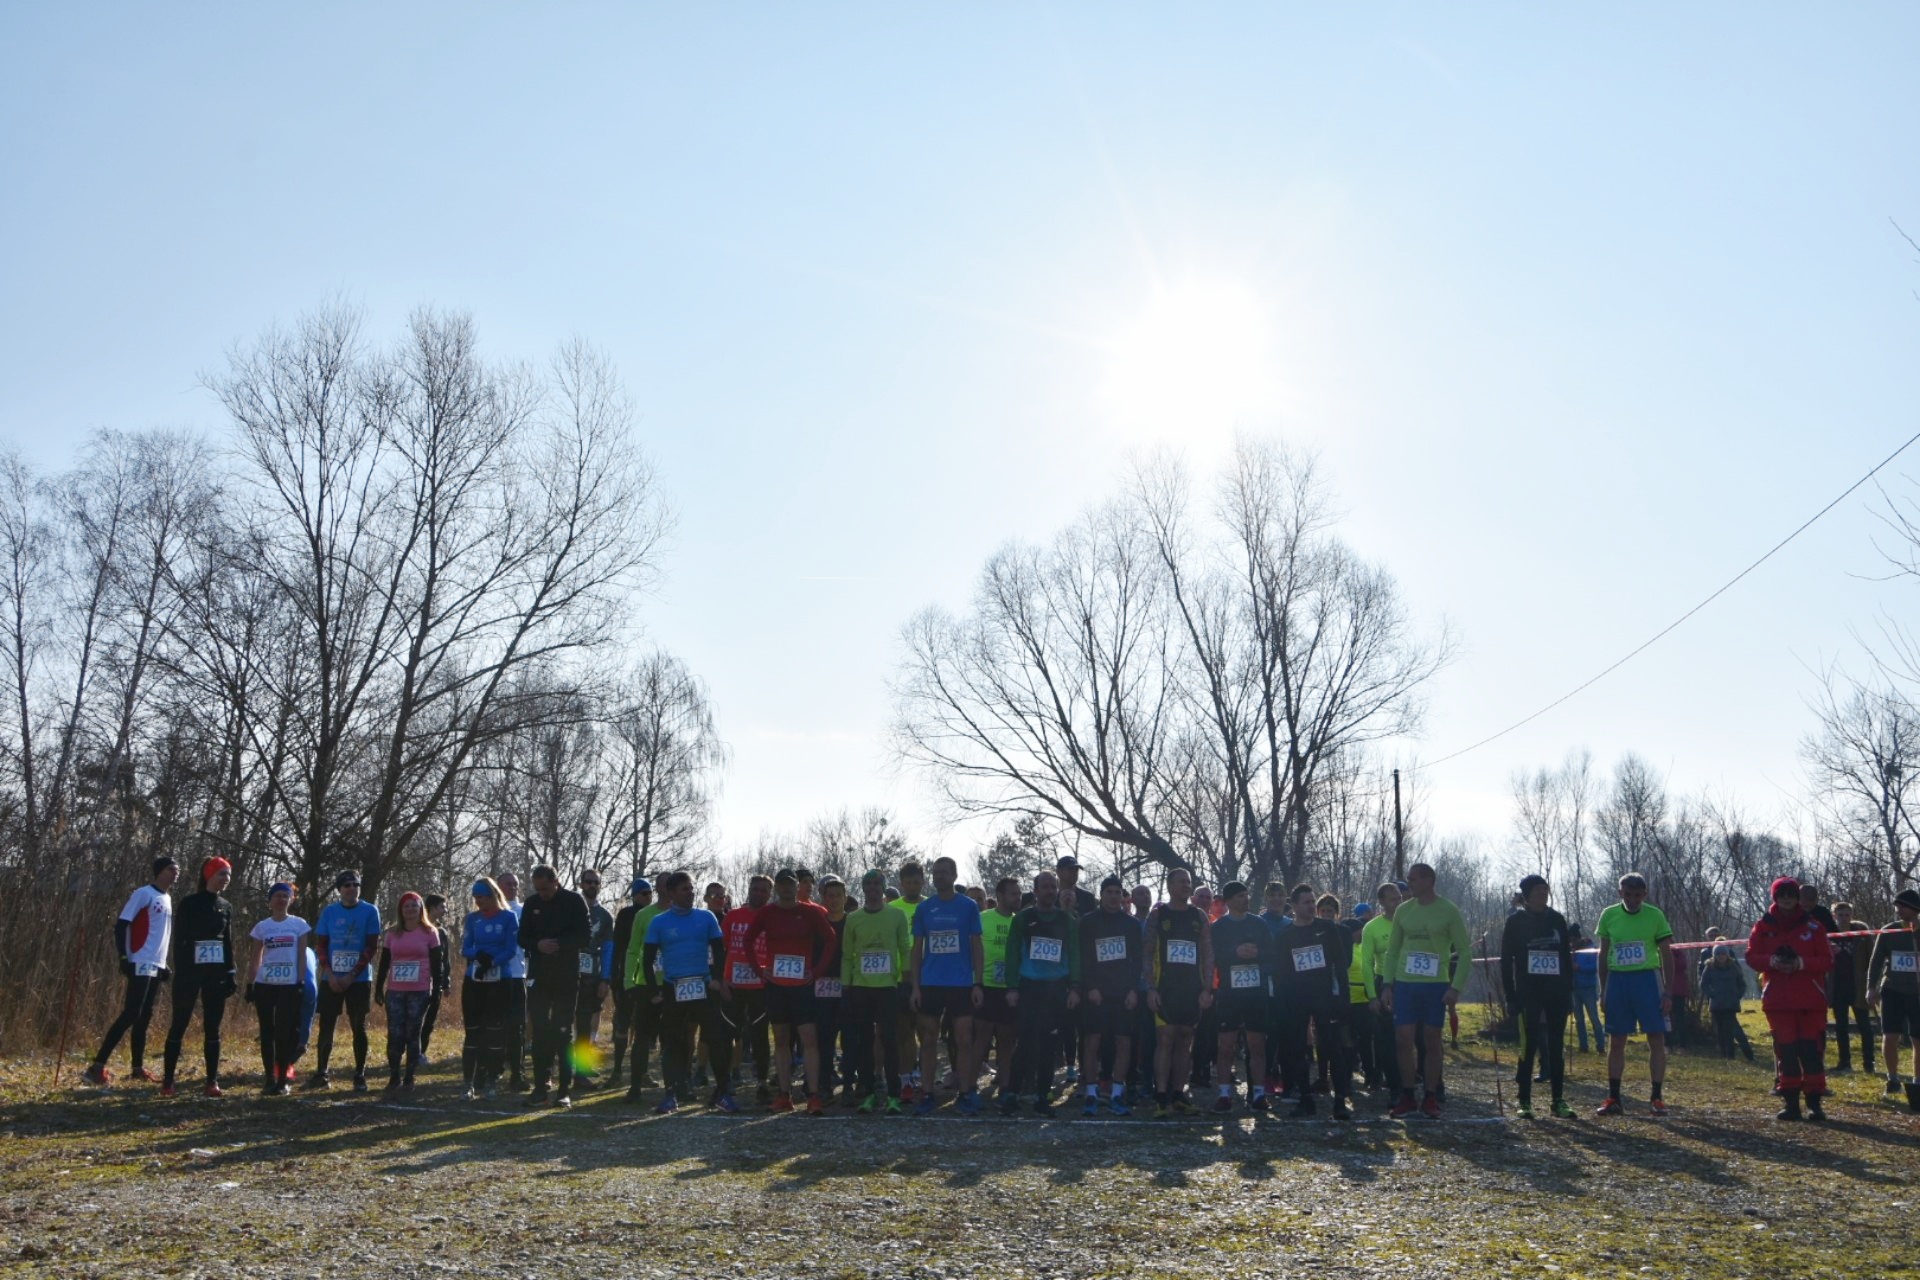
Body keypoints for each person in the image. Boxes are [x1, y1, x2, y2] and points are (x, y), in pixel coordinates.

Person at [744, 868, 839, 1114]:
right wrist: (759, 969)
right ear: (776, 887)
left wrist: (816, 972)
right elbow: (747, 941)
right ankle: (784, 1095)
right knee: (782, 1040)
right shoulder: (767, 912)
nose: (786, 889)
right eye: (782, 884)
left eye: (791, 884)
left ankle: (814, 1095)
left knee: (809, 1039)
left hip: (803, 987)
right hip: (776, 987)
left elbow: (830, 940)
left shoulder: (810, 912)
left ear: (797, 887)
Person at [642, 870, 737, 1114]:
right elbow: (648, 959)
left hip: (703, 987)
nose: (691, 892)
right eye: (685, 889)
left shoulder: (706, 918)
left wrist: (717, 979)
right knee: (673, 1042)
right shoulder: (659, 922)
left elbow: (719, 950)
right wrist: (654, 991)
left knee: (716, 1039)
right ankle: (671, 1094)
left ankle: (722, 1093)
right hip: (674, 988)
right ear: (671, 893)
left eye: (692, 888)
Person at [1383, 863, 1471, 1119]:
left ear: (1429, 881)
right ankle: (1408, 1095)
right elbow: (1393, 951)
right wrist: (1387, 985)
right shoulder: (1403, 910)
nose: (1408, 884)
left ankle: (1431, 1095)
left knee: (1432, 1039)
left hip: (1435, 985)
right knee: (1403, 1039)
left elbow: (1465, 952)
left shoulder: (1448, 910)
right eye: (1408, 879)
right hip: (1406, 983)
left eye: (1413, 879)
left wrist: (1455, 988)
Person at [83, 857, 179, 1086]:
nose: (175, 873)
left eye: (177, 870)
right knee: (131, 1013)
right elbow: (122, 924)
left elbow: (160, 934)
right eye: (170, 869)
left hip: (155, 964)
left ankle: (137, 1068)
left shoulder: (167, 898)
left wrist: (163, 963)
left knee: (144, 1016)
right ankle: (96, 1067)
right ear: (159, 872)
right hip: (140, 960)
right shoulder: (143, 893)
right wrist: (124, 956)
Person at [1745, 877, 1833, 1121]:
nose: (1786, 899)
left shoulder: (1814, 927)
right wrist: (1771, 961)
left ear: (1797, 898)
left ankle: (1814, 1104)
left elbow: (1827, 961)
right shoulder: (1763, 927)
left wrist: (1801, 964)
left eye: (1791, 895)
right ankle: (1791, 1103)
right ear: (1775, 897)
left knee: (1811, 1051)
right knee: (1786, 1052)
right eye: (1782, 895)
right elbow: (1751, 956)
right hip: (1779, 1000)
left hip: (1810, 1000)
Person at [909, 856, 986, 1115]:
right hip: (931, 983)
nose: (939, 876)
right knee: (928, 1038)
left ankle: (965, 1092)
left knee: (963, 1038)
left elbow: (977, 945)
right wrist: (916, 987)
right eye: (935, 873)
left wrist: (978, 983)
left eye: (944, 872)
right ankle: (928, 1092)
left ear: (954, 875)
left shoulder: (968, 907)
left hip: (961, 983)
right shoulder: (924, 908)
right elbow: (917, 949)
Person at [1594, 872, 1675, 1117]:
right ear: (1620, 893)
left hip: (1647, 981)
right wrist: (1603, 989)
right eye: (1628, 895)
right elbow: (1603, 953)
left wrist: (1668, 991)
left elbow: (1666, 955)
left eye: (1637, 895)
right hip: (1618, 981)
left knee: (1656, 1038)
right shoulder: (1609, 915)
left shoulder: (1655, 915)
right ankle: (1614, 1097)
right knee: (1616, 1040)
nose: (1632, 900)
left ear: (1644, 895)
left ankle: (1657, 1097)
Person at [1001, 871, 1081, 1114]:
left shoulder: (1067, 921)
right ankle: (1013, 1093)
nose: (1049, 891)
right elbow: (1012, 953)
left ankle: (1042, 1095)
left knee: (1049, 1044)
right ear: (1035, 891)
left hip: (1056, 989)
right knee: (1024, 1042)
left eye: (1052, 887)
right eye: (1044, 887)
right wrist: (1012, 987)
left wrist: (1075, 986)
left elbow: (1075, 955)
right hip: (1028, 987)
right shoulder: (1023, 919)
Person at [1276, 883, 1356, 1120]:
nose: (1312, 906)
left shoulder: (1327, 929)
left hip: (1324, 997)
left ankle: (1340, 1100)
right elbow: (1281, 973)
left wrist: (1342, 997)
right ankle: (1305, 1100)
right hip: (1297, 999)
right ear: (1294, 906)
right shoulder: (1284, 936)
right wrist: (1282, 1002)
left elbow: (1339, 964)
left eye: (1313, 902)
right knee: (1299, 1050)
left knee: (1332, 1047)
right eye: (1307, 902)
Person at [1498, 874, 1575, 1119]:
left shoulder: (1557, 919)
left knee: (1555, 1047)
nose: (1544, 894)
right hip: (1528, 993)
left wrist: (1568, 991)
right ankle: (1525, 1100)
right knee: (1528, 1046)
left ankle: (1558, 1100)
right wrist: (1510, 996)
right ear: (1527, 895)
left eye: (1546, 889)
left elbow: (1565, 957)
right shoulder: (1515, 922)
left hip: (1556, 992)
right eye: (1538, 890)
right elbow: (1505, 961)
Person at [160, 858, 237, 1098]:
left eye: (228, 875)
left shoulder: (226, 906)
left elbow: (227, 942)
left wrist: (231, 972)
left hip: (216, 974)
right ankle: (168, 1081)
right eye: (222, 874)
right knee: (179, 1024)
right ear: (209, 875)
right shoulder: (189, 903)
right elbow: (179, 939)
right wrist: (182, 969)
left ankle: (212, 1081)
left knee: (212, 1027)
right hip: (190, 973)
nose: (226, 879)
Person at [517, 865, 591, 1107]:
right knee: (539, 1031)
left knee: (562, 1032)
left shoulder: (574, 901)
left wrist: (559, 944)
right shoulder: (531, 904)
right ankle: (540, 1088)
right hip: (539, 976)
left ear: (555, 882)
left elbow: (584, 936)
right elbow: (522, 937)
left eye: (546, 889)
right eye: (538, 889)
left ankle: (564, 1090)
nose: (542, 894)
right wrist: (537, 945)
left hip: (566, 976)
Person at [1143, 867, 1212, 1118]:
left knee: (1185, 1040)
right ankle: (1161, 1097)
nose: (1186, 885)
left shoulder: (1200, 916)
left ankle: (1179, 1093)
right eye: (1181, 881)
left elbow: (1207, 953)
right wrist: (1150, 988)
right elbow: (1147, 953)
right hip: (1165, 988)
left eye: (1189, 882)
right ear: (1170, 885)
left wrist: (1207, 989)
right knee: (1166, 1039)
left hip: (1192, 989)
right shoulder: (1158, 915)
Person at [843, 869, 911, 1113]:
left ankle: (894, 1095)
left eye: (876, 884)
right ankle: (869, 1093)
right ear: (863, 888)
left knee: (890, 1040)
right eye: (868, 884)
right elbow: (847, 954)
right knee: (864, 1042)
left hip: (888, 987)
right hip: (861, 988)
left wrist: (907, 979)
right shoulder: (854, 918)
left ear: (883, 888)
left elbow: (905, 948)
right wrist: (846, 983)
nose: (872, 888)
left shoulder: (897, 915)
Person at [307, 870, 381, 1092]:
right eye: (346, 885)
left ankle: (359, 1074)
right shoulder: (330, 912)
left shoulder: (370, 911)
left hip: (358, 980)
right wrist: (329, 972)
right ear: (339, 889)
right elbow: (321, 945)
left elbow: (371, 946)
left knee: (359, 1025)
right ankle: (322, 1073)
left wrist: (351, 975)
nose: (351, 888)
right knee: (327, 1025)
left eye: (355, 885)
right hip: (331, 978)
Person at [1207, 882, 1274, 1114]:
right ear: (1227, 901)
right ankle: (1224, 1094)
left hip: (1256, 993)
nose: (1245, 899)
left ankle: (1258, 1094)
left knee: (1257, 1046)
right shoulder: (1218, 927)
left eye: (1246, 894)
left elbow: (1271, 954)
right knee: (1226, 1046)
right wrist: (1235, 953)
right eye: (1239, 896)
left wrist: (1258, 954)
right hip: (1229, 994)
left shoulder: (1259, 924)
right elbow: (1212, 957)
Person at [1079, 875, 1142, 1116]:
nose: (1114, 896)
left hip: (1124, 993)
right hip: (1096, 992)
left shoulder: (1132, 924)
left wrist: (1133, 990)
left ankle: (1117, 1092)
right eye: (1109, 892)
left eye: (1118, 892)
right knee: (1092, 1041)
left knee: (1124, 1041)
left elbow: (1136, 961)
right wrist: (1090, 986)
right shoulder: (1088, 922)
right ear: (1101, 895)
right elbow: (1084, 957)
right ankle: (1092, 1093)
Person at [245, 882, 311, 1095]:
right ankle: (269, 1078)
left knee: (285, 1032)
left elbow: (302, 956)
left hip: (289, 986)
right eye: (277, 896)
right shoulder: (262, 927)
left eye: (285, 896)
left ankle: (283, 1078)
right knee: (267, 1032)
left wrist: (301, 982)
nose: (281, 900)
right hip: (265, 985)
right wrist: (250, 983)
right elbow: (256, 958)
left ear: (290, 900)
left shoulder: (299, 925)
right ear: (270, 901)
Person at [459, 878, 520, 1099]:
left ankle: (492, 1080)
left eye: (481, 897)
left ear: (493, 895)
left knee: (495, 1032)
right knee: (472, 1032)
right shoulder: (472, 919)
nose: (478, 902)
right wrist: (478, 955)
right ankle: (468, 1083)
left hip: (500, 980)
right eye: (475, 898)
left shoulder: (508, 917)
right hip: (474, 980)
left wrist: (491, 962)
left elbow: (511, 949)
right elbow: (465, 948)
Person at [376, 891, 441, 1094]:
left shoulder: (430, 933)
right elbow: (384, 963)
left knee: (413, 1033)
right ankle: (394, 1075)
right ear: (401, 910)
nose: (411, 909)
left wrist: (436, 989)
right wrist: (378, 988)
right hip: (395, 991)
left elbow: (437, 964)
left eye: (414, 905)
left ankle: (409, 1077)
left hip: (419, 991)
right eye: (406, 906)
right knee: (395, 1034)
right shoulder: (392, 934)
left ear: (421, 908)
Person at [722, 876, 775, 1101]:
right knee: (728, 1034)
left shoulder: (774, 917)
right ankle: (724, 1082)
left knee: (760, 1036)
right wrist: (722, 980)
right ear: (749, 890)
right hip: (733, 984)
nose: (759, 893)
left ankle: (762, 1082)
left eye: (764, 891)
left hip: (760, 986)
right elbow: (720, 949)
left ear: (769, 893)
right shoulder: (733, 916)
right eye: (756, 889)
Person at [1866, 887, 1920, 1096]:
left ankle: (1917, 1082)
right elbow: (1876, 960)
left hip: (1916, 994)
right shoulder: (1889, 931)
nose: (1898, 910)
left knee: (1917, 1038)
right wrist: (1871, 988)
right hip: (1892, 991)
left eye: (1903, 907)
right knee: (1890, 1036)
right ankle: (1893, 1078)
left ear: (1914, 908)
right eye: (1897, 906)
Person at [612, 877, 659, 1091]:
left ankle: (643, 1073)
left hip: (647, 979)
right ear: (635, 895)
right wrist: (618, 977)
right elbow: (621, 947)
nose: (647, 897)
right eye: (643, 893)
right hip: (628, 975)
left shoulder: (657, 915)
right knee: (622, 1024)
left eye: (650, 893)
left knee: (644, 1030)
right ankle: (617, 1070)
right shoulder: (626, 915)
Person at [977, 876, 1020, 1097]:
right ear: (1001, 896)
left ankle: (1005, 1085)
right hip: (986, 986)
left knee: (1006, 1039)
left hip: (1009, 988)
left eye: (1019, 893)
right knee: (981, 1039)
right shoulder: (983, 918)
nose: (1018, 897)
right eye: (1013, 893)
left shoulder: (1020, 920)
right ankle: (968, 1087)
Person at [573, 868, 616, 1089]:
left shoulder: (605, 916)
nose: (592, 885)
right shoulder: (570, 908)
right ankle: (553, 1071)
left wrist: (605, 979)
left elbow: (609, 949)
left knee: (584, 1025)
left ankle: (580, 1070)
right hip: (567, 976)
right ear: (581, 884)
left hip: (592, 979)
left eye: (596, 882)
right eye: (588, 882)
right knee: (560, 1025)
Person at [1360, 882, 1402, 1095]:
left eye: (1399, 897)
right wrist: (1372, 996)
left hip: (1411, 982)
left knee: (1415, 1035)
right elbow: (1366, 963)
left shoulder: (1411, 922)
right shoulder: (1372, 927)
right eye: (1393, 898)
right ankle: (1393, 1084)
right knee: (1387, 1037)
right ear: (1382, 903)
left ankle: (1431, 1084)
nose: (1398, 901)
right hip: (1384, 983)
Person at [815, 874, 854, 1103]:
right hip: (822, 987)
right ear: (823, 897)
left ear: (845, 897)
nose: (834, 899)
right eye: (830, 895)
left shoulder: (853, 921)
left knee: (849, 1039)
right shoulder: (817, 922)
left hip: (848, 986)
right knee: (825, 1039)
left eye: (838, 895)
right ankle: (825, 1085)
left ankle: (849, 1085)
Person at [891, 860, 928, 1099]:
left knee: (927, 1033)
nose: (912, 886)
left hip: (927, 979)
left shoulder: (931, 906)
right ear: (901, 883)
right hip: (899, 979)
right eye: (908, 882)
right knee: (903, 1033)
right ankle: (905, 1079)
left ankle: (925, 1077)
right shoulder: (892, 908)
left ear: (922, 882)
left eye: (916, 882)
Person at [1828, 901, 1875, 1076]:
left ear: (1851, 915)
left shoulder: (1861, 933)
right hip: (1838, 986)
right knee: (1841, 1026)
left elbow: (1872, 958)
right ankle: (1844, 1061)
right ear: (1834, 916)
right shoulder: (1829, 934)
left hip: (1858, 986)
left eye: (1847, 914)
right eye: (1840, 915)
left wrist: (1872, 983)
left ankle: (1869, 1062)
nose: (1844, 918)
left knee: (1865, 1026)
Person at [495, 870, 530, 1091]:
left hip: (518, 975)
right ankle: (493, 1069)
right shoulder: (490, 912)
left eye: (515, 884)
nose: (513, 888)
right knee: (495, 1025)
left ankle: (517, 1073)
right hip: (494, 976)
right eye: (508, 884)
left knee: (517, 1026)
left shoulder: (524, 911)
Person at [1699, 943, 1756, 1061]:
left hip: (1731, 1004)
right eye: (1718, 954)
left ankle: (1731, 1055)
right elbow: (1703, 983)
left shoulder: (1733, 966)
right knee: (1719, 1031)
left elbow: (1741, 983)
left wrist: (1737, 995)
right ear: (1714, 955)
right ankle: (1723, 1054)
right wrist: (1711, 994)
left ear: (1727, 955)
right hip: (1716, 1004)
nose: (1721, 956)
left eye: (1723, 954)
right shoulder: (1709, 967)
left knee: (1730, 1031)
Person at [415, 893, 453, 1060]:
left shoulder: (442, 932)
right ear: (431, 908)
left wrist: (446, 982)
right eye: (442, 907)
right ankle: (410, 1051)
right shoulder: (416, 929)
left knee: (429, 1020)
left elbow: (445, 959)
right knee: (415, 1018)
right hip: (417, 982)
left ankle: (421, 1052)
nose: (445, 910)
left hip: (435, 983)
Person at [1570, 925, 1606, 1055]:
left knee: (1594, 1018)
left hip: (1588, 988)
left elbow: (1594, 967)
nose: (1571, 943)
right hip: (1575, 988)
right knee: (1579, 1019)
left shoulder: (1590, 949)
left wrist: (1578, 967)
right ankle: (1583, 1045)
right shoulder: (1570, 951)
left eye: (1573, 940)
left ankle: (1601, 1045)